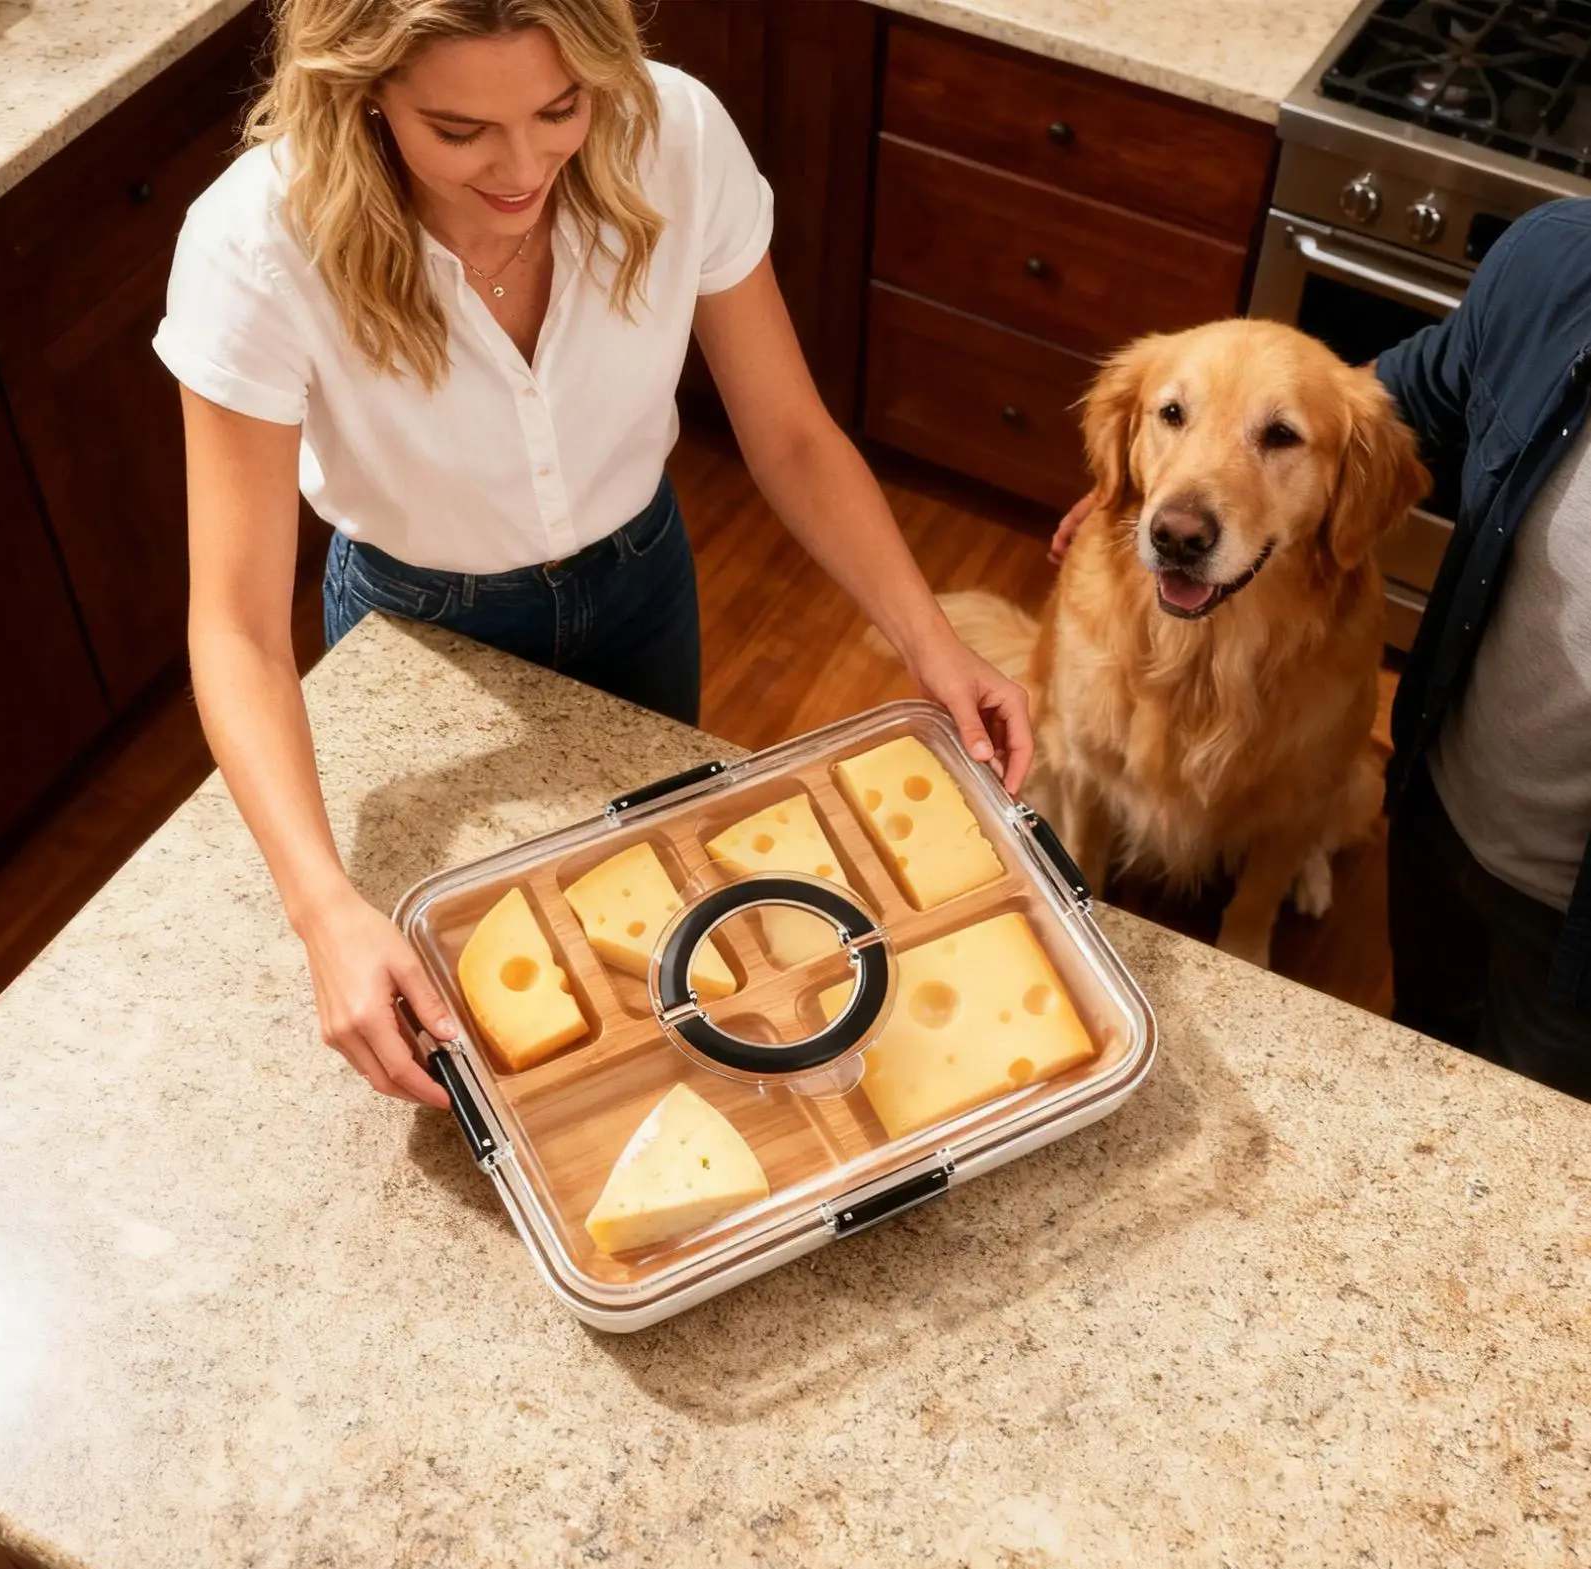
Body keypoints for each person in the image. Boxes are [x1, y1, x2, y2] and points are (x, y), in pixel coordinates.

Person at [155, 0, 1032, 1110]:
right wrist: (321, 905)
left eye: (559, 106)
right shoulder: (255, 244)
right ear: (362, 90)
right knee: (493, 1007)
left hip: (639, 584)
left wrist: (929, 640)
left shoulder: (675, 133)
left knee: (665, 937)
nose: (523, 164)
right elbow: (232, 622)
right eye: (459, 130)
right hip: (419, 633)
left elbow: (793, 431)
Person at [1050, 202, 1591, 1094]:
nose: (1183, 515)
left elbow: (1362, 437)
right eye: (1171, 417)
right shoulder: (1554, 263)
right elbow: (1411, 387)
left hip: (1574, 926)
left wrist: (1246, 924)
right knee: (1421, 1048)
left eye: (1277, 441)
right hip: (1443, 809)